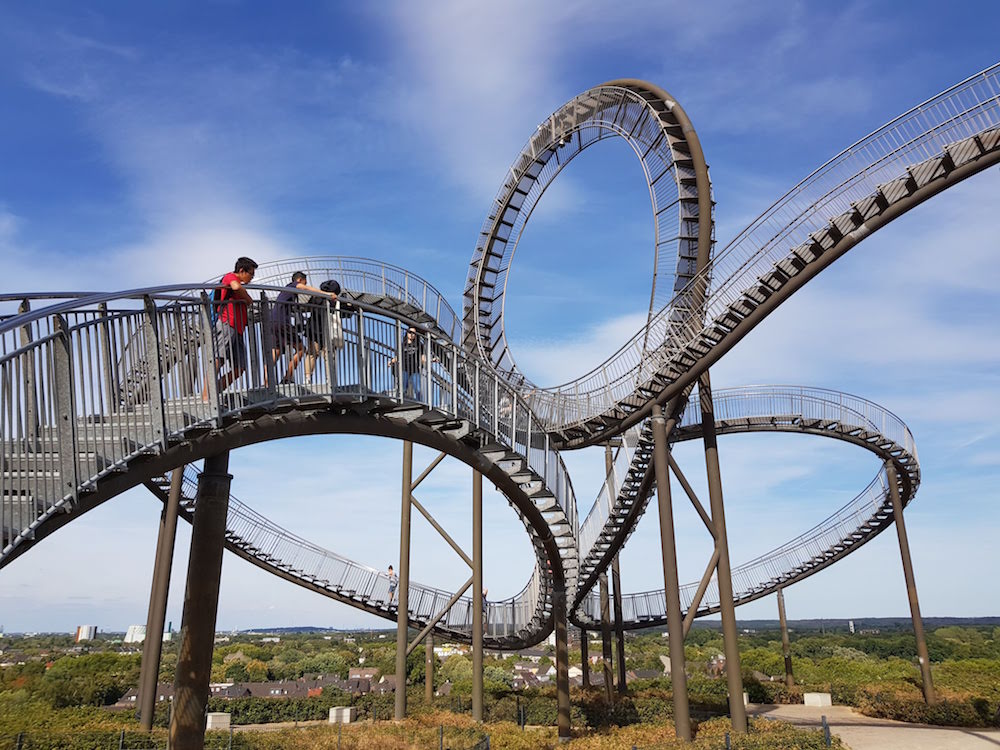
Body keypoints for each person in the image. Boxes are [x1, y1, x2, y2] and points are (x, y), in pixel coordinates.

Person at [202, 256, 257, 401]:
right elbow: (236, 287)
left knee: (240, 367)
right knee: (218, 359)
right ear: (241, 270)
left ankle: (215, 390)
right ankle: (206, 396)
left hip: (237, 329)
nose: (252, 277)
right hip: (227, 323)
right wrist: (249, 300)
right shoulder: (230, 277)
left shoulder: (236, 279)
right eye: (251, 273)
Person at [271, 271, 337, 385]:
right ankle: (287, 378)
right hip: (282, 322)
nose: (304, 286)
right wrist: (326, 294)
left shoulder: (287, 294)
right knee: (302, 349)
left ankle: (267, 382)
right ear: (299, 280)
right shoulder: (292, 286)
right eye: (304, 282)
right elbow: (306, 289)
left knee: (276, 351)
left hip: (273, 321)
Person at [302, 279, 342, 384]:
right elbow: (345, 313)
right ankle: (330, 380)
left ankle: (307, 378)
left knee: (311, 354)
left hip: (313, 329)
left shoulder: (315, 296)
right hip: (328, 331)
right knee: (328, 355)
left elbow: (307, 307)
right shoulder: (334, 301)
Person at [389, 327, 424, 401]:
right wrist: (391, 361)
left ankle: (420, 403)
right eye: (410, 332)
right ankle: (402, 401)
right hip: (404, 369)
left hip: (415, 370)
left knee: (418, 389)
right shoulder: (402, 345)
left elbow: (423, 357)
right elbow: (398, 357)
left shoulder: (419, 345)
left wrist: (431, 360)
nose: (412, 334)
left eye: (414, 333)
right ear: (407, 333)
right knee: (403, 388)